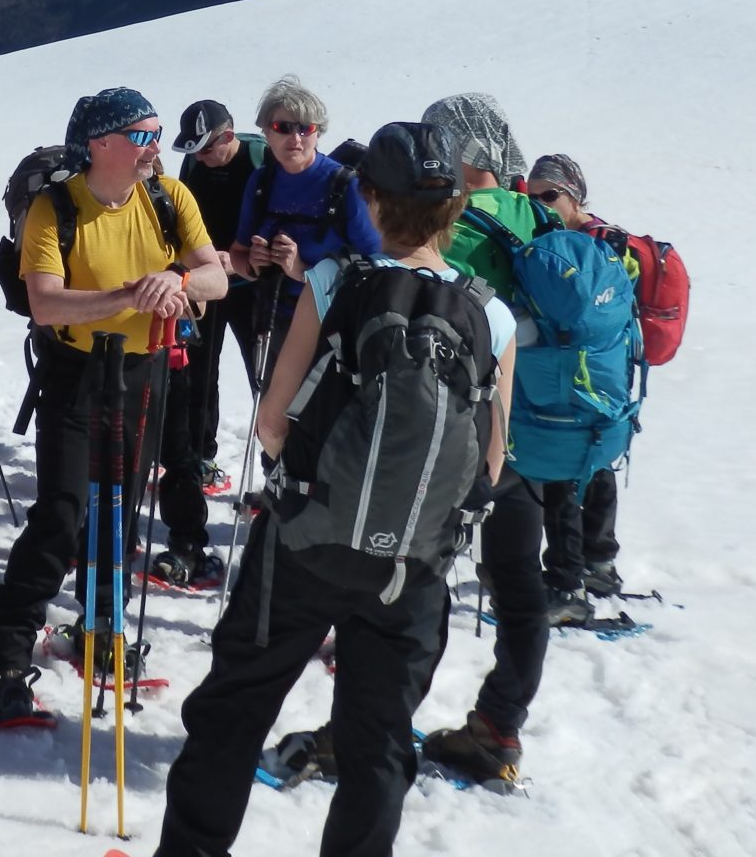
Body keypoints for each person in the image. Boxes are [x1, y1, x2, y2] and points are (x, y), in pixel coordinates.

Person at [152, 122, 518, 857]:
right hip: (412, 566)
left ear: (371, 198)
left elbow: (271, 421)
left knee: (234, 711)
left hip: (303, 544)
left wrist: (312, 479)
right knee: (378, 743)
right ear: (454, 206)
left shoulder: (334, 282)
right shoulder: (492, 313)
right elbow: (492, 461)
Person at [0, 88, 226, 726]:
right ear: (100, 143)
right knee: (62, 511)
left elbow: (216, 277)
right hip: (75, 372)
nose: (154, 147)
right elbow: (45, 303)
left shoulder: (170, 197)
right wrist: (129, 295)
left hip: (143, 372)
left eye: (157, 134)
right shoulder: (54, 207)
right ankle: (7, 655)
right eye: (143, 135)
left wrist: (176, 280)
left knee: (119, 510)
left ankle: (99, 625)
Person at [415, 91, 554, 786]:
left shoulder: (458, 224)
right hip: (534, 430)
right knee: (521, 588)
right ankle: (499, 729)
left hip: (467, 432)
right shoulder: (538, 214)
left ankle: (371, 725)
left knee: (417, 579)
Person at [230, 78, 384, 397]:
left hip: (332, 327)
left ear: (318, 132)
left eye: (306, 128)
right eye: (283, 127)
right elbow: (239, 254)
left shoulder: (345, 186)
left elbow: (377, 266)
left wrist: (301, 270)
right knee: (273, 418)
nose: (295, 138)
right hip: (274, 322)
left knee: (319, 417)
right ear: (266, 131)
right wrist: (255, 264)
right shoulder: (260, 183)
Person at [524, 153, 625, 603]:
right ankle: (599, 565)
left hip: (572, 378)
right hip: (605, 379)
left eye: (549, 195)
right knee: (595, 463)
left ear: (575, 195)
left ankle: (567, 583)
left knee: (564, 474)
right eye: (531, 196)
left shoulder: (584, 245)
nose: (540, 205)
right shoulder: (604, 241)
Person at [171, 98, 256, 493]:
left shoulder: (259, 159)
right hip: (205, 285)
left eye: (206, 149)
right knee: (199, 373)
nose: (200, 158)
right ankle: (198, 458)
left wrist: (240, 261)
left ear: (228, 136)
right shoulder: (194, 164)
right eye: (193, 150)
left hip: (254, 287)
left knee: (265, 378)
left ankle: (278, 467)